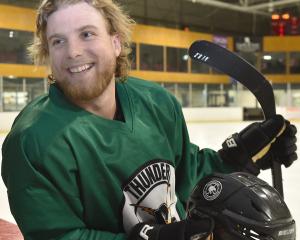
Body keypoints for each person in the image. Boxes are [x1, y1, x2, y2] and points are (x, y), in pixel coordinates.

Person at [1, 0, 297, 240]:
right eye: (58, 41)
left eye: (87, 34)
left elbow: (186, 175)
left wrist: (238, 156)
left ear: (116, 43)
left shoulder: (157, 102)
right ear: (47, 53)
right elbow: (59, 237)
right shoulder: (32, 142)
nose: (73, 51)